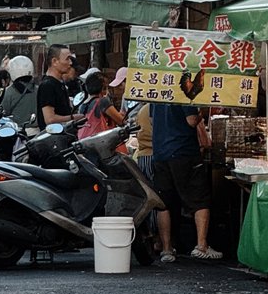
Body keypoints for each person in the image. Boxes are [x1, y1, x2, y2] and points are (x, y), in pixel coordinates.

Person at [152, 100, 220, 260]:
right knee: (199, 199)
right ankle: (201, 246)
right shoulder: (183, 93)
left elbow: (151, 121)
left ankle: (167, 249)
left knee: (164, 203)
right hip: (184, 151)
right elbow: (191, 121)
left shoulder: (157, 93)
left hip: (160, 153)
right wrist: (202, 109)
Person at [134, 101, 176, 262]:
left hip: (144, 155)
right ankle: (158, 239)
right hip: (157, 154)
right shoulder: (158, 108)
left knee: (150, 196)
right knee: (157, 199)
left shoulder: (144, 109)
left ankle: (156, 239)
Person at [36, 45, 83, 130]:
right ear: (54, 61)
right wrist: (74, 118)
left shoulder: (60, 84)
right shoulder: (47, 85)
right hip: (53, 139)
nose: (70, 63)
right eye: (67, 59)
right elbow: (49, 119)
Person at [78, 71, 126, 137]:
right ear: (102, 88)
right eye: (106, 87)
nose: (107, 91)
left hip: (84, 140)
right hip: (100, 141)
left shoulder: (82, 105)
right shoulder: (102, 102)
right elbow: (121, 121)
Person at [0, 56, 39, 131]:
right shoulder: (38, 89)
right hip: (38, 130)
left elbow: (3, 112)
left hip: (19, 132)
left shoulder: (10, 91)